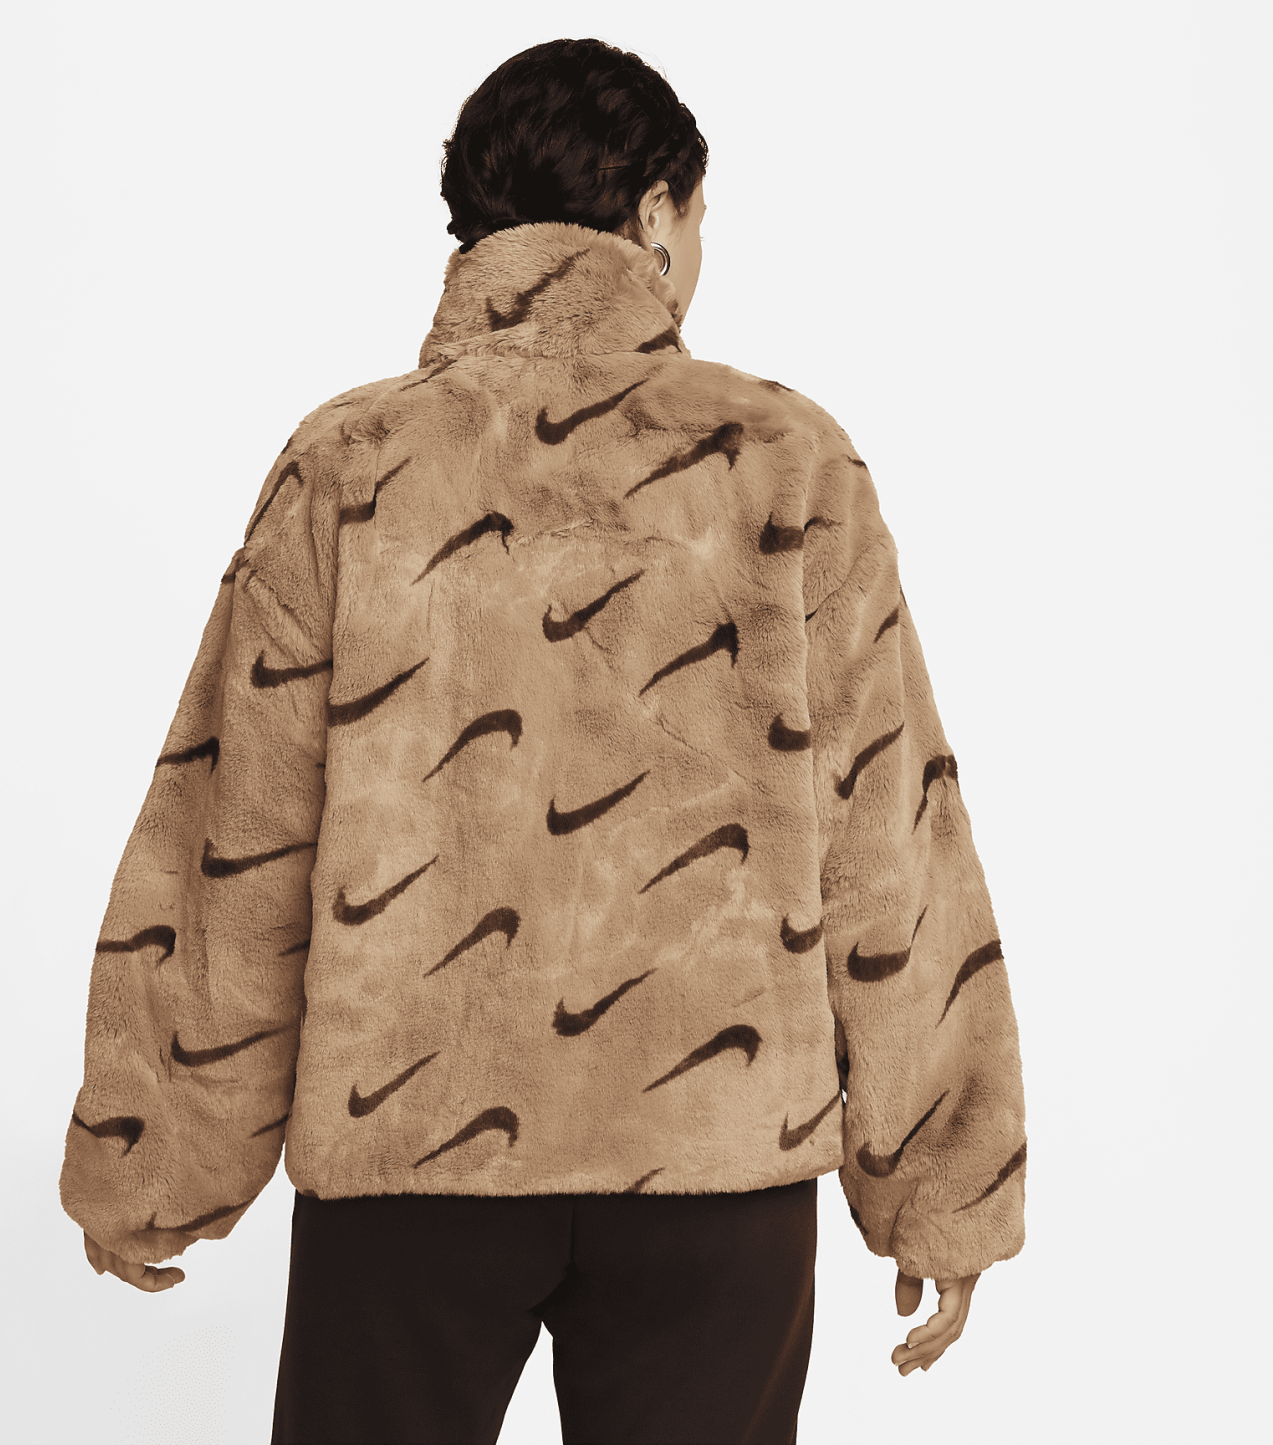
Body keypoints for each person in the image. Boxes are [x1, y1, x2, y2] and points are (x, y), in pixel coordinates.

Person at [62, 36, 1026, 1444]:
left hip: (409, 1155)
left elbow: (235, 840)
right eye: (701, 219)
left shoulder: (350, 464)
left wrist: (158, 1154)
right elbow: (889, 836)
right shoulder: (787, 460)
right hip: (716, 1166)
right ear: (654, 212)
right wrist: (942, 1181)